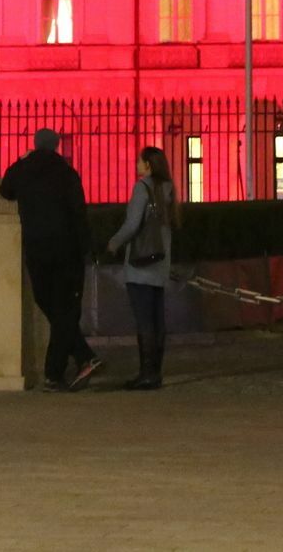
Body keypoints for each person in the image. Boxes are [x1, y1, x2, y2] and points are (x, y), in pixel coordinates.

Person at [0, 128, 102, 392]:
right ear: (56, 146)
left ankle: (71, 364)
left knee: (47, 302)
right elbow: (79, 213)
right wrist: (86, 249)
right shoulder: (66, 173)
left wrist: (21, 160)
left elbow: (5, 189)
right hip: (67, 250)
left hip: (37, 248)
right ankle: (69, 364)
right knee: (66, 309)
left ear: (35, 144)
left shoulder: (24, 169)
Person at [106, 144, 178, 390]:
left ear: (147, 165)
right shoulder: (168, 188)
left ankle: (146, 373)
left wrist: (113, 243)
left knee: (144, 320)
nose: (137, 164)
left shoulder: (142, 188)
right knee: (157, 319)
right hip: (160, 261)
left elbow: (132, 224)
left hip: (140, 263)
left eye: (140, 161)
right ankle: (155, 372)